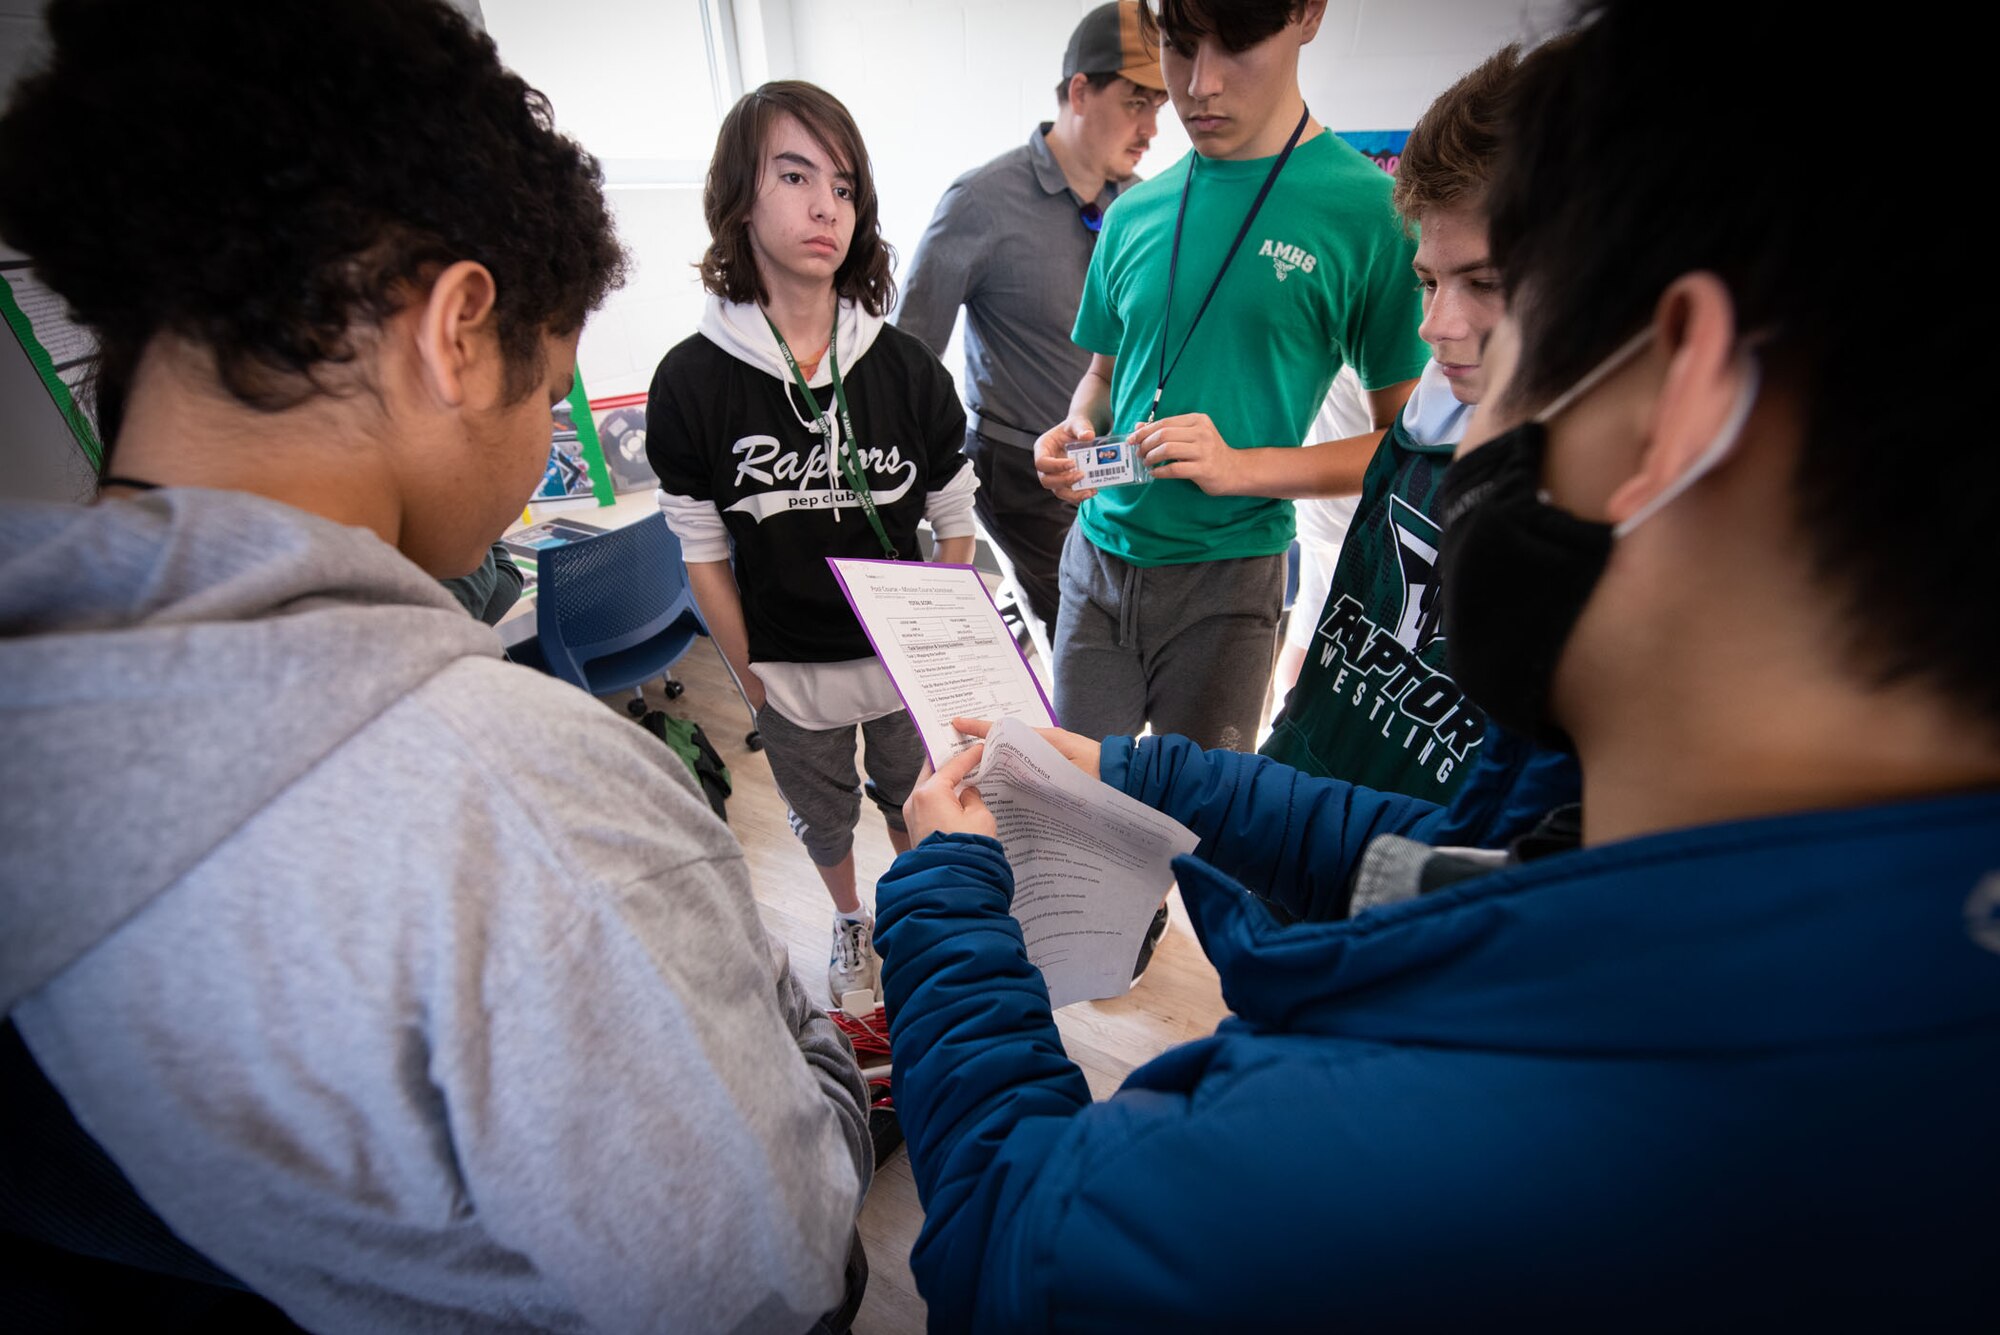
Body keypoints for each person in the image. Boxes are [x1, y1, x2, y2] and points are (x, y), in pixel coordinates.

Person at [872, 2, 2000, 1325]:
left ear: (1679, 386)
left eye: (1506, 324)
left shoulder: (1391, 1163)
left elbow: (1024, 1234)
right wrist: (1130, 769)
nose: (1460, 385)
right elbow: (1464, 858)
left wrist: (946, 890)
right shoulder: (1796, 872)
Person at [0, 3, 871, 1330]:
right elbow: (778, 1262)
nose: (538, 448)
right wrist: (802, 1029)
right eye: (546, 388)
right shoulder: (537, 809)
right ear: (458, 328)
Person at [646, 81, 977, 1009]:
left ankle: (924, 915)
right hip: (786, 674)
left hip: (896, 669)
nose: (826, 203)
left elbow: (956, 519)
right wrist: (747, 671)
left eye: (843, 184)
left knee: (919, 805)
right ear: (740, 199)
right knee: (822, 816)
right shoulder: (692, 381)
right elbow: (702, 550)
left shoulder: (906, 368)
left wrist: (932, 654)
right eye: (795, 176)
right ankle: (849, 919)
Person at [1032, 0, 1428, 759]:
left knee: (1201, 829)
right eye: (1180, 49)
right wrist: (1077, 428)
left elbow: (1403, 451)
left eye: (1237, 46)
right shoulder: (1133, 213)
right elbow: (1100, 378)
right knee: (1081, 818)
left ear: (1308, 16)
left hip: (1230, 581)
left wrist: (1243, 468)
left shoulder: (1370, 215)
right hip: (1096, 566)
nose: (1199, 86)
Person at [1259, 44, 1519, 804]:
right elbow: (1334, 692)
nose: (1435, 325)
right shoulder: (1421, 428)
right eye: (1429, 282)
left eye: (1486, 282)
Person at [896, 1, 1167, 647]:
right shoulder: (980, 202)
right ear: (1080, 91)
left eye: (1159, 103)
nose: (1153, 126)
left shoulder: (1139, 203)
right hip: (1019, 470)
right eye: (1137, 101)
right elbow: (910, 355)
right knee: (1077, 630)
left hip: (1113, 459)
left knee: (1127, 618)